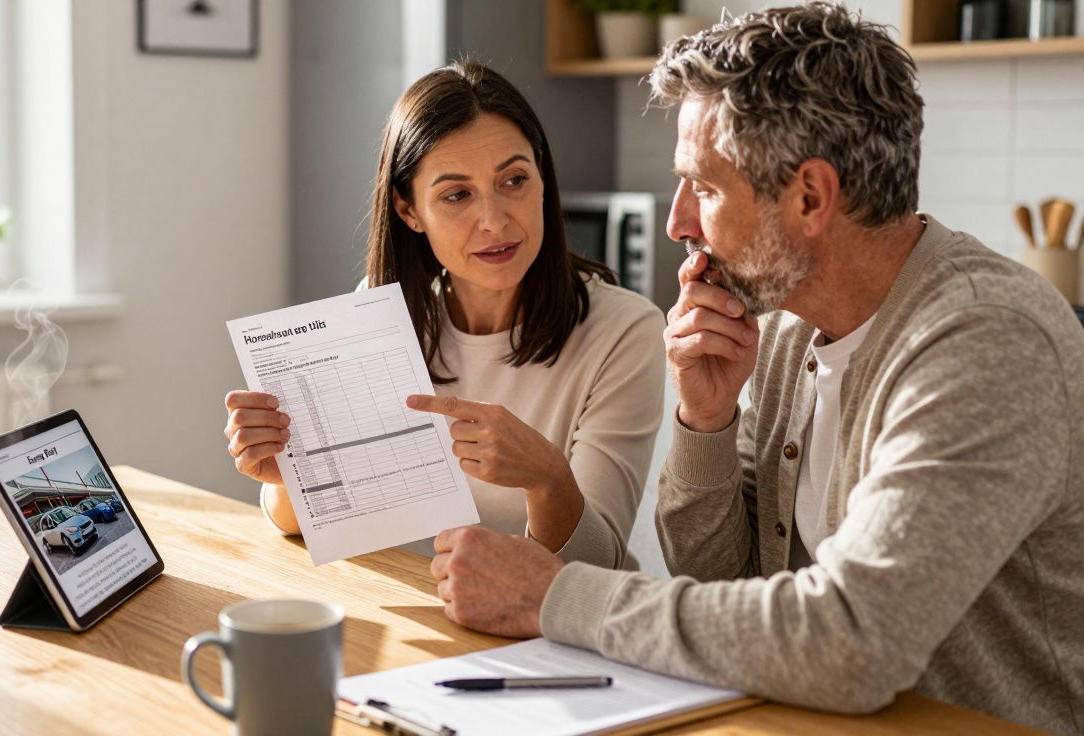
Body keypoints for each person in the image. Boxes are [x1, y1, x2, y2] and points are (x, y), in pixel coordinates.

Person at [423, 5, 1084, 732]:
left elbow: (851, 641)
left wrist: (554, 596)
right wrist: (705, 421)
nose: (678, 222)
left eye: (703, 188)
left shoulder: (985, 339)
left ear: (809, 198)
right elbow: (719, 587)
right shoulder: (784, 328)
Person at [223, 61, 666, 567]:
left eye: (515, 180)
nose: (495, 221)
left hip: (541, 630)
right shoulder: (380, 307)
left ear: (543, 180)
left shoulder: (624, 331)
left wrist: (547, 480)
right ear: (410, 211)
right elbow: (299, 527)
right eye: (457, 195)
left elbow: (598, 565)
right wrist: (289, 475)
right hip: (410, 607)